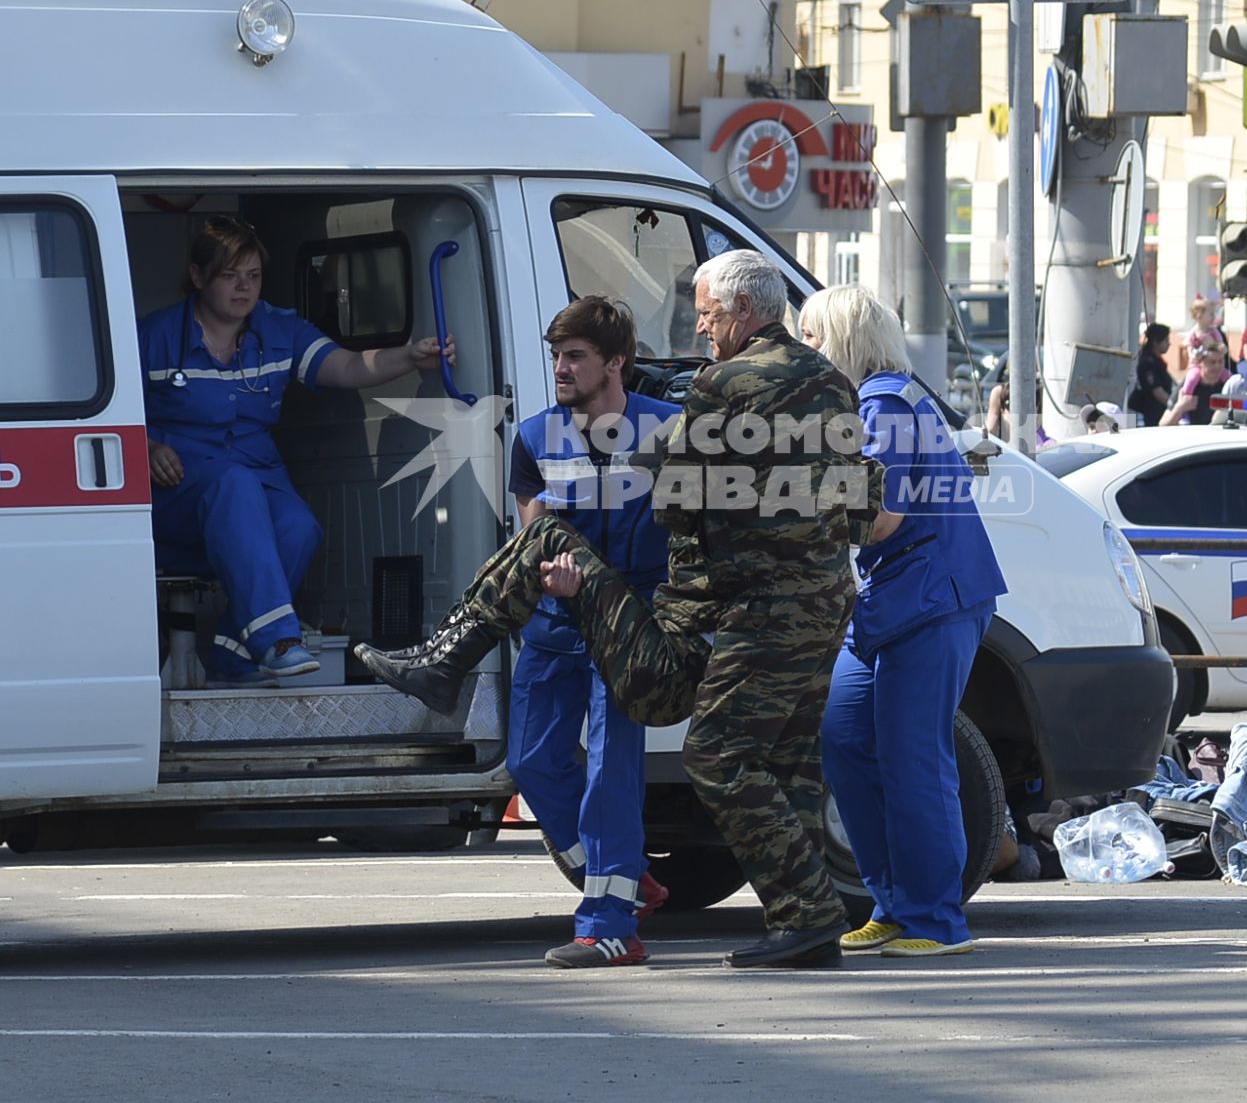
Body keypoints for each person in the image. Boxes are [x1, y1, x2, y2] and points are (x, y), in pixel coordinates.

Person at [356, 250, 865, 970]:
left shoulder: (722, 384)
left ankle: (450, 656)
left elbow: (680, 487)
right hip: (819, 602)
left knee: (714, 751)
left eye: (708, 313)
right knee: (788, 764)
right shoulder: (830, 381)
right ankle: (807, 918)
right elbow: (848, 489)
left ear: (745, 314)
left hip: (723, 611)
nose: (700, 327)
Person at [141, 216, 454, 687]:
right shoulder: (154, 336)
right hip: (178, 490)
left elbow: (348, 366)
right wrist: (146, 447)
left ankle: (231, 653)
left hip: (255, 476)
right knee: (234, 484)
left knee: (299, 527)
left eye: (253, 275)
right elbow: (106, 412)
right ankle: (279, 643)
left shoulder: (279, 329)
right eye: (230, 275)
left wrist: (408, 356)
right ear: (198, 276)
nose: (243, 288)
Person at [798, 286, 1007, 959]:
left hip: (928, 597)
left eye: (810, 336)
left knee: (914, 758)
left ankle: (935, 920)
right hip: (905, 596)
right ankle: (895, 903)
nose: (802, 350)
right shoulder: (884, 399)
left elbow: (879, 516)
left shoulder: (882, 404)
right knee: (845, 735)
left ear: (842, 341)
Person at [504, 298, 678, 968]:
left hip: (631, 621)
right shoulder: (532, 436)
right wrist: (551, 575)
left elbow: (694, 532)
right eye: (557, 355)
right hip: (557, 620)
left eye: (575, 356)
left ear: (615, 362)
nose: (560, 368)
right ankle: (627, 876)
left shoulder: (668, 430)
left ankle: (610, 924)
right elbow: (534, 534)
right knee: (531, 762)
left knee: (610, 768)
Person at [1161, 343, 1228, 426]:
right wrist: (1180, 408)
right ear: (1201, 363)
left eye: (1220, 361)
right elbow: (1163, 424)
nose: (1217, 366)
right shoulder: (1188, 386)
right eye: (1212, 362)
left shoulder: (1227, 386)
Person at [1128, 323, 1176, 425]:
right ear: (1155, 342)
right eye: (1166, 340)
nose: (1169, 344)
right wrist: (1175, 406)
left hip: (1158, 412)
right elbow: (1157, 392)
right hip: (1150, 414)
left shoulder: (1156, 361)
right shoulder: (1148, 363)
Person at [1182, 294, 1227, 372]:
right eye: (1211, 314)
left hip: (1215, 365)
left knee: (1227, 376)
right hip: (1198, 366)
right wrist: (1196, 356)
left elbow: (1221, 344)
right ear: (1199, 316)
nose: (1213, 317)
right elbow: (1190, 353)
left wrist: (1222, 348)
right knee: (1192, 378)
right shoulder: (1193, 334)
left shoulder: (1214, 331)